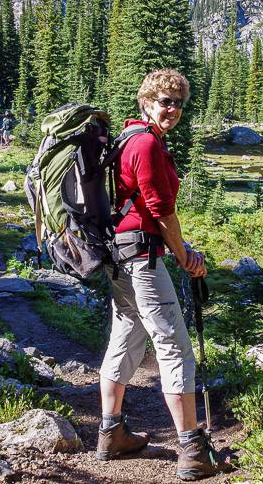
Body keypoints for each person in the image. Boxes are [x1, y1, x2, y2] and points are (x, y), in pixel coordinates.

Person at [97, 69, 230, 481]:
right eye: (164, 101)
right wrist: (184, 254)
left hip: (120, 254)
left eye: (178, 103)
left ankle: (111, 433)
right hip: (144, 256)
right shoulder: (147, 143)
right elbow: (160, 208)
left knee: (126, 334)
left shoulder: (127, 139)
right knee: (173, 345)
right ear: (146, 101)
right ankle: (192, 449)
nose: (172, 109)